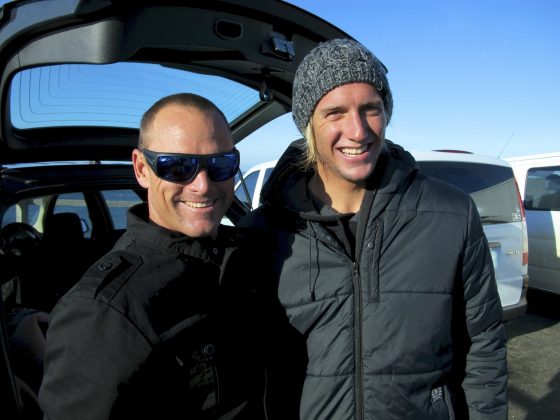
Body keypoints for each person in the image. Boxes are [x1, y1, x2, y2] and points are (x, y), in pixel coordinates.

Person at [240, 39, 508, 419]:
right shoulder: (263, 234)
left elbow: (484, 342)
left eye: (371, 109)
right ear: (308, 126)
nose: (358, 130)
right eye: (335, 113)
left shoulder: (452, 213)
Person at [39, 93, 294, 419]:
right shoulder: (105, 312)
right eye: (177, 166)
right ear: (141, 169)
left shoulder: (249, 256)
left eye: (220, 164)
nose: (202, 185)